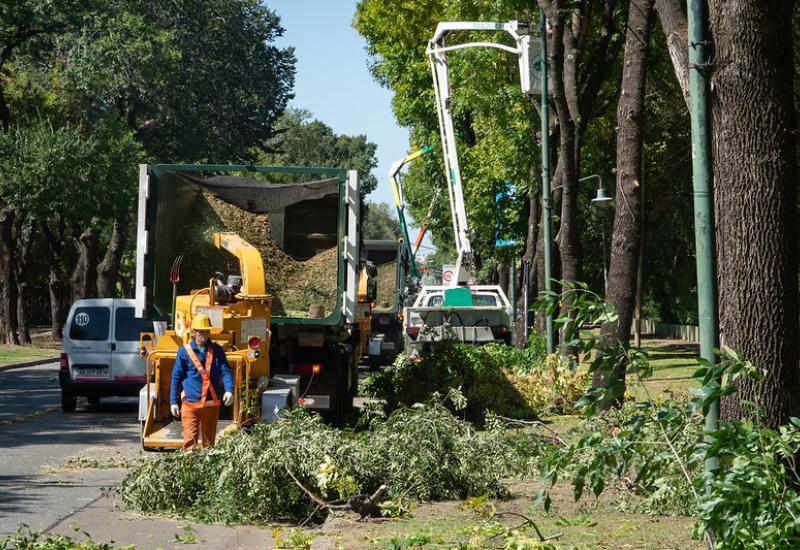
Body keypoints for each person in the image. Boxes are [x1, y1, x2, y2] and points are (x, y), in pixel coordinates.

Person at [170, 314, 234, 450]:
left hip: (211, 405)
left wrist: (229, 390)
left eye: (206, 331)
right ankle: (190, 469)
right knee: (189, 444)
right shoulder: (184, 352)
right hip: (190, 405)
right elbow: (176, 377)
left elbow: (226, 371)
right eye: (201, 331)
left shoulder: (217, 350)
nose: (204, 335)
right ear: (194, 332)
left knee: (209, 444)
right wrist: (173, 401)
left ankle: (207, 470)